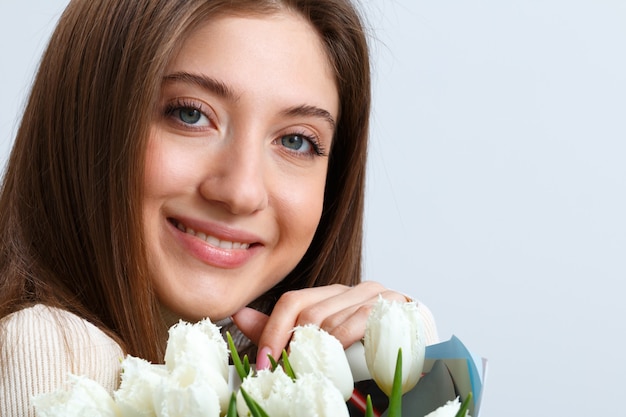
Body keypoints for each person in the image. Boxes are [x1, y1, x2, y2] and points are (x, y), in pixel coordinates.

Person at [0, 0, 439, 415]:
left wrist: (397, 361)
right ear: (86, 116)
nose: (242, 192)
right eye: (190, 114)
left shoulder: (265, 369)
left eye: (295, 141)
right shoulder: (48, 351)